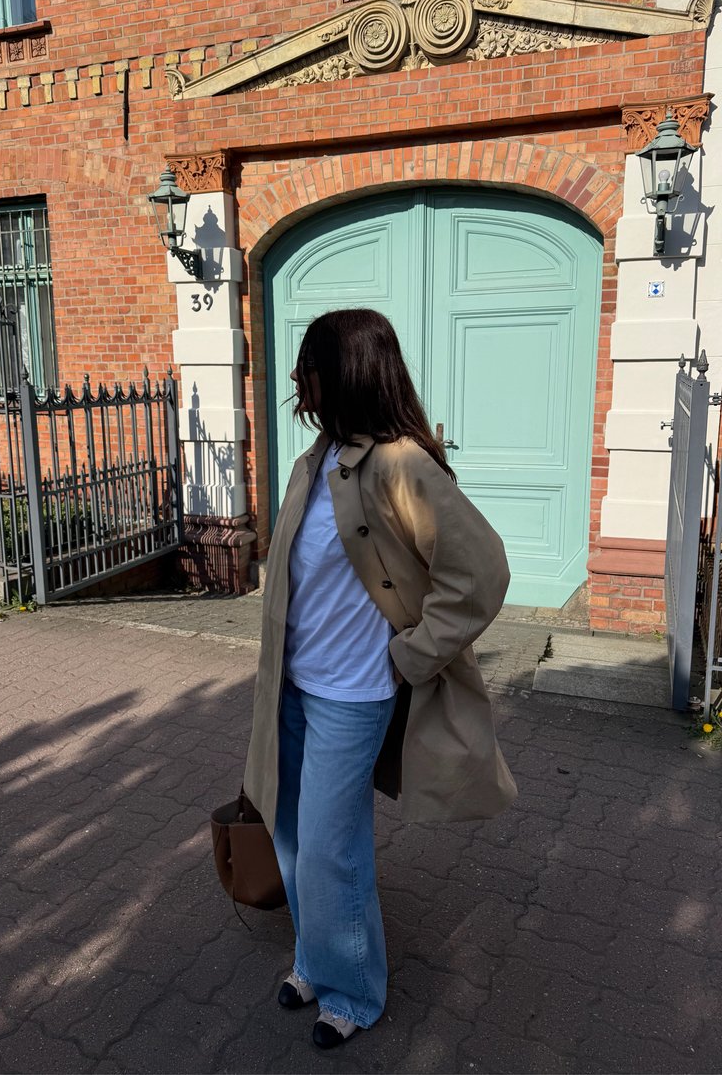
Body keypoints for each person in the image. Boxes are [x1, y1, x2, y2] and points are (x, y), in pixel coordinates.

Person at [244, 307, 517, 1050]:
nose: (300, 379)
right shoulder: (320, 455)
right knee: (293, 838)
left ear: (347, 371)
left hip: (353, 696)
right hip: (294, 688)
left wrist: (410, 656)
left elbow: (482, 572)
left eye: (310, 366)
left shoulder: (401, 464)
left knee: (335, 850)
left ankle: (353, 990)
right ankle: (312, 958)